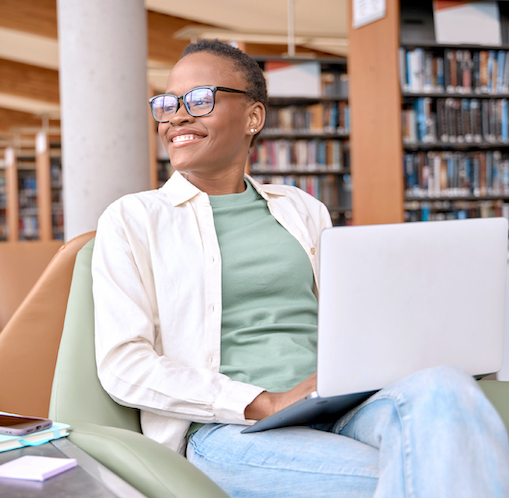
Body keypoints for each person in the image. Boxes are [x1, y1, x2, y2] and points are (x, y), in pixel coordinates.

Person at [92, 39, 509, 497]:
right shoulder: (134, 219)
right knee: (440, 471)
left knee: (445, 387)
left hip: (339, 406)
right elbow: (123, 365)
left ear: (253, 117)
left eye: (199, 99)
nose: (176, 117)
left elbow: (347, 322)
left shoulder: (302, 209)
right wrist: (262, 402)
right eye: (167, 104)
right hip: (232, 432)